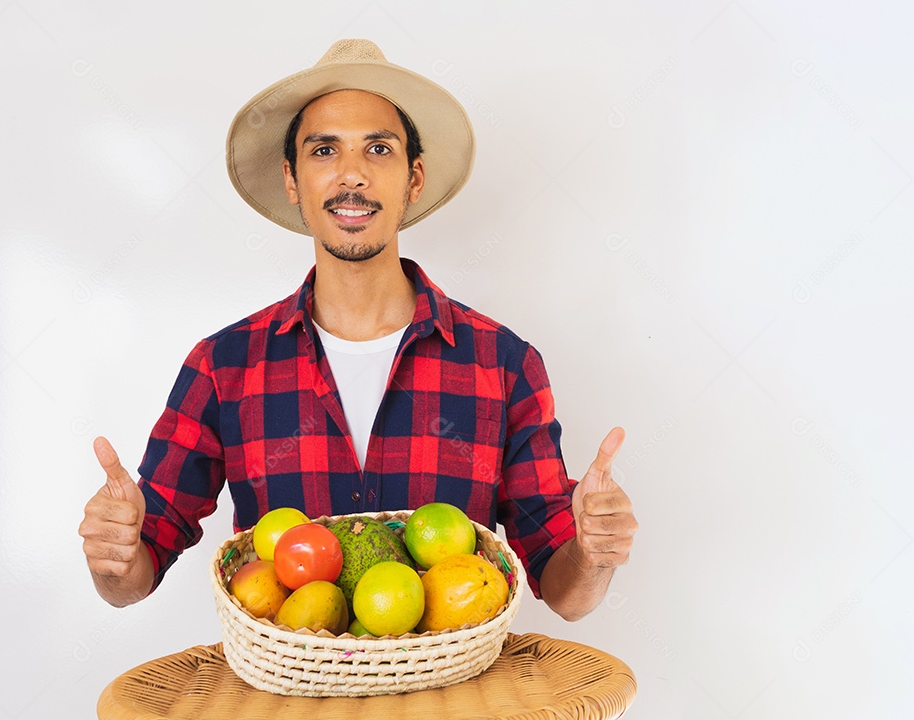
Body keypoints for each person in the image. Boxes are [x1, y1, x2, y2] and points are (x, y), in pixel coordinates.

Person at [78, 39, 637, 621]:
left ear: (414, 178)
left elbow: (566, 590)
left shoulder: (504, 365)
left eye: (378, 148)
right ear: (293, 181)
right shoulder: (223, 366)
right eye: (324, 150)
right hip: (287, 704)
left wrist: (594, 554)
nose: (351, 173)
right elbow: (134, 577)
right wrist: (113, 556)